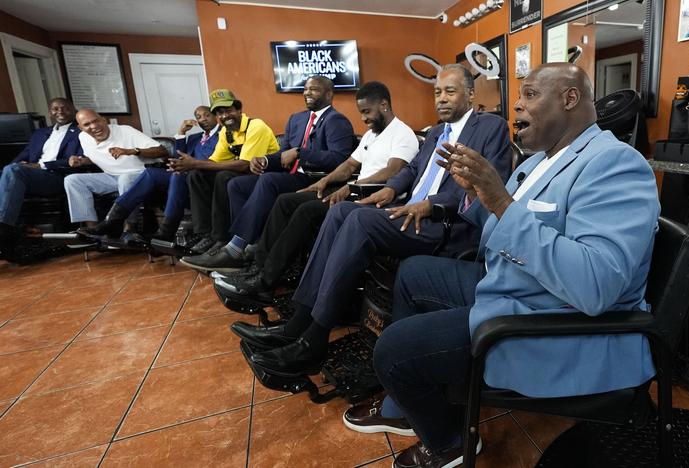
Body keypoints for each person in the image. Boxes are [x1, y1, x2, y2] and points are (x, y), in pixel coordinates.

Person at [367, 63, 660, 468]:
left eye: (529, 95)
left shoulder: (616, 164)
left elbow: (595, 284)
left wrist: (502, 202)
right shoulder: (538, 161)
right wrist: (478, 196)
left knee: (393, 352)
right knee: (413, 273)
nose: (515, 107)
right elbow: (498, 233)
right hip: (517, 284)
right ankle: (408, 404)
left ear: (569, 98)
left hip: (556, 320)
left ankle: (448, 442)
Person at [235, 64, 512, 376]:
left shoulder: (491, 127)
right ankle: (300, 320)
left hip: (443, 224)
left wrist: (430, 205)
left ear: (471, 94)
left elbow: (492, 184)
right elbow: (411, 169)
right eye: (437, 92)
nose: (441, 99)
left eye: (450, 91)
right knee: (340, 211)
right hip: (406, 209)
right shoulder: (436, 132)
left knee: (360, 221)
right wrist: (391, 189)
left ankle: (314, 340)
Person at [214, 81, 419, 303]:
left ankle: (265, 282)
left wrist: (349, 187)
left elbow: (394, 170)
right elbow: (349, 165)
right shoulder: (372, 134)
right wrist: (324, 182)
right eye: (361, 113)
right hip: (352, 190)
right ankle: (259, 267)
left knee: (307, 211)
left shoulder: (402, 133)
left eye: (367, 112)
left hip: (372, 198)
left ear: (384, 105)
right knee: (285, 201)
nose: (363, 119)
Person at [180, 75, 357, 271]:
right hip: (291, 175)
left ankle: (235, 250)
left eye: (314, 89)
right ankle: (248, 245)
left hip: (315, 179)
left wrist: (301, 152)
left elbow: (339, 158)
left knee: (269, 181)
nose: (307, 93)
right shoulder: (296, 119)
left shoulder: (337, 120)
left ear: (329, 93)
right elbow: (282, 156)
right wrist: (264, 160)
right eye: (305, 89)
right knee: (236, 184)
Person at [82, 106, 220, 241]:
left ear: (215, 116)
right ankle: (112, 220)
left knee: (178, 175)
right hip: (186, 173)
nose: (203, 120)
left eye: (207, 115)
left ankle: (166, 231)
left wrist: (189, 165)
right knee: (151, 173)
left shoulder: (222, 133)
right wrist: (181, 133)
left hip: (203, 174)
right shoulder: (195, 137)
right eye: (198, 117)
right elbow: (179, 157)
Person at [176, 89, 280, 253]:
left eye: (228, 110)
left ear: (239, 110)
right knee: (196, 175)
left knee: (224, 177)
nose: (224, 116)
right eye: (220, 113)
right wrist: (191, 165)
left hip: (266, 176)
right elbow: (214, 160)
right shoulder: (226, 131)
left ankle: (222, 237)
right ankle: (206, 234)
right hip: (244, 173)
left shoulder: (256, 126)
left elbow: (245, 165)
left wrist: (195, 162)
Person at [65, 110, 168, 232]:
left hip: (141, 175)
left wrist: (132, 151)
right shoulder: (83, 137)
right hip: (112, 176)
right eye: (87, 124)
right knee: (72, 180)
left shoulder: (125, 131)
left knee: (125, 178)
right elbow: (98, 157)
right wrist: (82, 161)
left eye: (95, 121)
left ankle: (129, 228)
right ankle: (91, 229)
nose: (93, 126)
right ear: (80, 128)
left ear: (103, 120)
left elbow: (162, 151)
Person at [0, 98, 82, 248]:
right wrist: (13, 166)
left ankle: (3, 228)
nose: (60, 112)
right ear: (50, 112)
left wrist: (39, 165)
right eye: (55, 109)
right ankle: (13, 230)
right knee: (11, 169)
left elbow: (76, 160)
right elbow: (23, 156)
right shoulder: (40, 133)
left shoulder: (80, 132)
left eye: (65, 108)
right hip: (30, 177)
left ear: (73, 110)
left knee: (14, 171)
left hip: (57, 177)